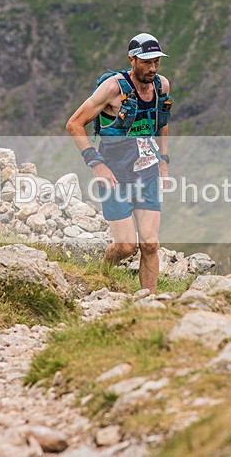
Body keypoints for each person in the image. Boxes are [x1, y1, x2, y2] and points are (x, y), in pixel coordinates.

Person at [66, 33, 173, 294]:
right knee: (126, 247)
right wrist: (96, 164)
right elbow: (74, 124)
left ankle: (149, 301)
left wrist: (163, 160)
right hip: (115, 175)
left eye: (156, 62)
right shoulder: (113, 89)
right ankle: (102, 275)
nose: (152, 68)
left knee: (149, 244)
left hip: (147, 173)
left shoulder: (162, 86)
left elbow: (162, 124)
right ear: (132, 59)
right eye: (146, 62)